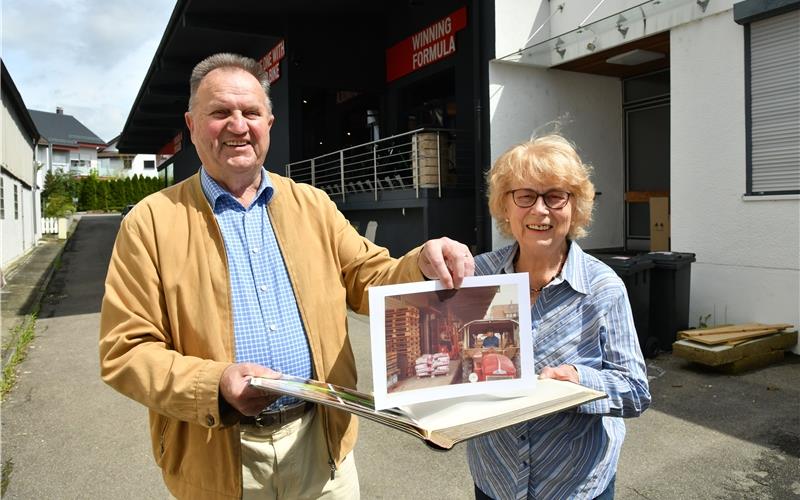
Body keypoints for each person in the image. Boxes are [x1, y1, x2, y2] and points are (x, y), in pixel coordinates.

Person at [98, 53, 474, 500]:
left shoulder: (311, 205)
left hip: (321, 447)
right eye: (220, 113)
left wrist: (422, 262)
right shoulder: (150, 223)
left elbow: (370, 275)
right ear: (192, 124)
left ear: (269, 123)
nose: (238, 126)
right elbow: (126, 351)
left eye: (250, 112)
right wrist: (214, 384)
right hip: (219, 457)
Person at [467, 135, 650, 500]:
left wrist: (579, 381)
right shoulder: (476, 276)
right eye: (525, 196)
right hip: (496, 477)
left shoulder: (603, 287)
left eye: (555, 195)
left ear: (575, 206)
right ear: (505, 205)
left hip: (575, 484)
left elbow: (635, 390)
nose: (540, 210)